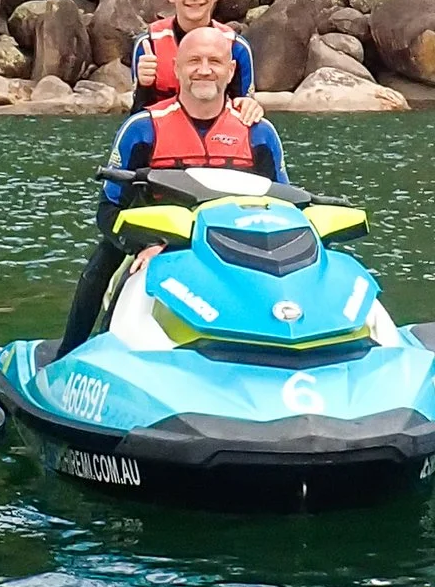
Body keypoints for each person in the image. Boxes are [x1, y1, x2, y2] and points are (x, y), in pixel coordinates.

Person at [60, 23, 291, 350]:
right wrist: (146, 244)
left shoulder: (259, 132)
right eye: (194, 62)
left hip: (238, 246)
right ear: (177, 69)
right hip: (158, 242)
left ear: (231, 70)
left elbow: (287, 208)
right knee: (101, 267)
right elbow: (108, 209)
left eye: (214, 62)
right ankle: (68, 355)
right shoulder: (142, 129)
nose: (204, 71)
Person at [129, 0, 257, 110]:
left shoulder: (237, 48)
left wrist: (250, 106)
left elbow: (245, 114)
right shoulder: (148, 46)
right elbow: (138, 120)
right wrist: (144, 87)